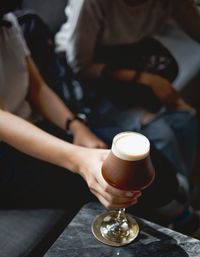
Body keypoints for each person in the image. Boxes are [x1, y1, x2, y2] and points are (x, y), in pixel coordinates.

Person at [1, 2, 200, 240]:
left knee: (151, 167)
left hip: (39, 126)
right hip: (7, 157)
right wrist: (79, 161)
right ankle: (173, 228)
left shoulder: (8, 23)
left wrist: (76, 126)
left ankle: (182, 218)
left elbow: (37, 88)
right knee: (114, 187)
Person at [55, 0, 199, 181]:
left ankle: (185, 193)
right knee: (162, 134)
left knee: (186, 119)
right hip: (86, 80)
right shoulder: (91, 4)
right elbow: (80, 66)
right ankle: (178, 202)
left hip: (130, 62)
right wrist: (148, 80)